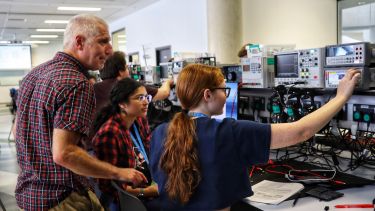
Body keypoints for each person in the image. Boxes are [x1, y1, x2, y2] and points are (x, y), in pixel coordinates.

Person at [149, 64, 360, 210]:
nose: (226, 94)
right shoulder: (228, 131)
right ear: (207, 95)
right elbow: (301, 131)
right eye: (224, 89)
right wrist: (341, 96)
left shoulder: (160, 132)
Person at [15, 14, 147, 211]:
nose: (109, 50)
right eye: (103, 42)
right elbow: (65, 153)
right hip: (63, 199)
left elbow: (19, 129)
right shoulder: (77, 83)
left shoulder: (33, 75)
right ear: (79, 42)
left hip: (32, 196)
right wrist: (119, 172)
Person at [92, 78, 159, 210]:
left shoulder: (139, 121)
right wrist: (147, 191)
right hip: (127, 200)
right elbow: (110, 188)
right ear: (122, 104)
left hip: (147, 185)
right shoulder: (109, 133)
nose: (146, 102)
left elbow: (148, 152)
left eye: (146, 97)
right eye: (140, 98)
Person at [94, 51, 174, 115]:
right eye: (126, 68)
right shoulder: (131, 87)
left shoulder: (94, 88)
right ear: (121, 71)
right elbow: (164, 93)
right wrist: (168, 82)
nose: (128, 72)